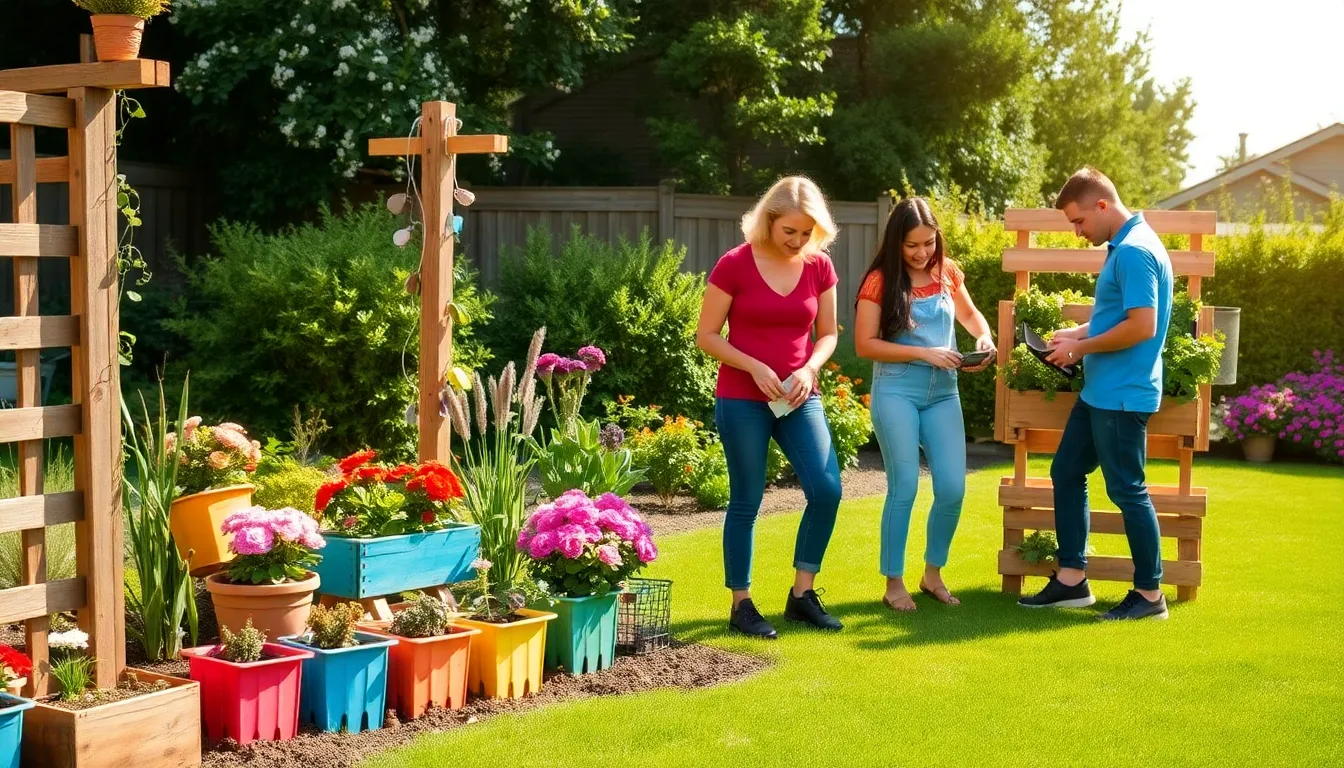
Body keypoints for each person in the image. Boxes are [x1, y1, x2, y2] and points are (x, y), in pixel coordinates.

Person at [1018, 167, 1174, 621]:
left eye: (1078, 221)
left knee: (1128, 491)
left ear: (1101, 206)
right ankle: (1072, 580)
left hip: (1123, 396)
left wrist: (1080, 349)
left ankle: (1149, 596)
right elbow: (1122, 314)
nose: (1077, 231)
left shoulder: (1134, 252)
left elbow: (1143, 326)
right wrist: (1079, 331)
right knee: (1066, 471)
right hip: (1101, 392)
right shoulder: (1128, 244)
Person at [695, 176, 845, 639]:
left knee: (827, 489)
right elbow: (707, 336)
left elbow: (829, 334)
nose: (798, 242)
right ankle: (741, 604)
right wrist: (753, 365)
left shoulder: (819, 267)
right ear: (769, 221)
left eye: (807, 233)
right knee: (746, 500)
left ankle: (802, 595)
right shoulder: (734, 265)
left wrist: (809, 368)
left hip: (799, 397)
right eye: (790, 233)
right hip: (742, 399)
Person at [854, 197, 995, 612]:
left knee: (952, 487)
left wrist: (983, 340)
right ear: (896, 241)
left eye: (929, 243)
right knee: (905, 486)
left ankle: (932, 574)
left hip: (944, 392)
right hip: (897, 390)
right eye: (912, 245)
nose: (921, 252)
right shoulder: (880, 281)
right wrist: (924, 353)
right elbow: (865, 344)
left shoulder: (948, 272)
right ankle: (893, 582)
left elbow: (972, 318)